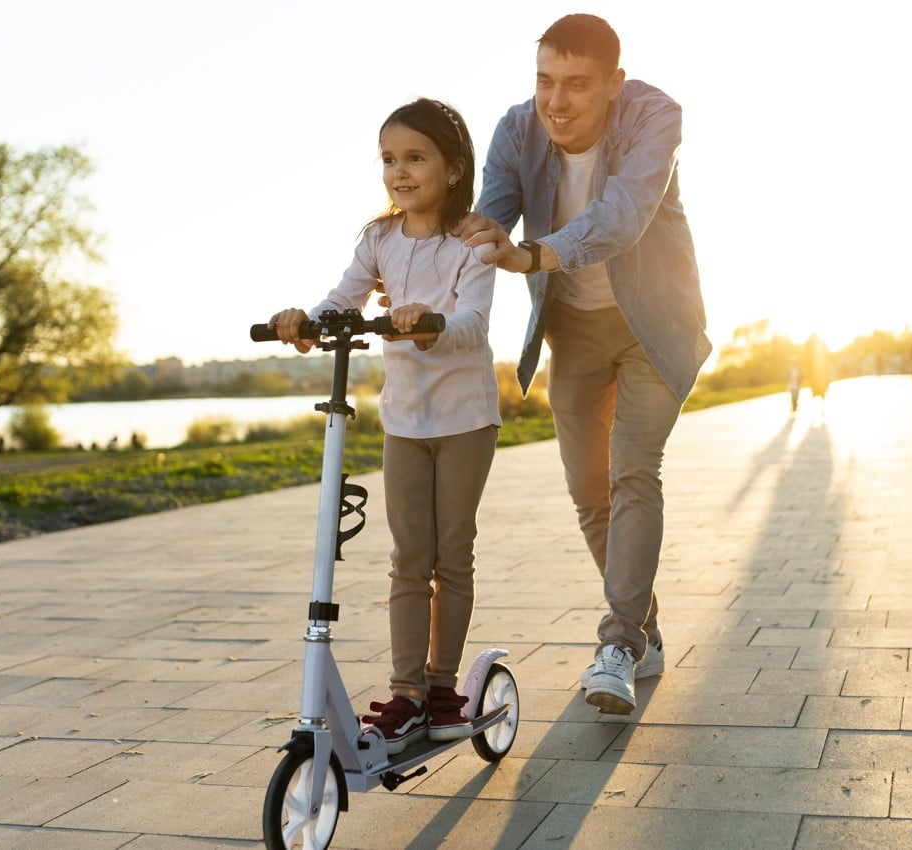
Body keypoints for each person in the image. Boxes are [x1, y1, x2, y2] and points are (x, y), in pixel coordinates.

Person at [455, 14, 710, 714]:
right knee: (588, 491)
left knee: (633, 471)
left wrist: (533, 254)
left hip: (652, 325)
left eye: (575, 85)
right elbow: (490, 218)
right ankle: (643, 630)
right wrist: (431, 260)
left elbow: (623, 218)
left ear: (613, 85)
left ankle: (617, 645)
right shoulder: (515, 130)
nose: (555, 102)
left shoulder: (654, 116)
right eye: (544, 81)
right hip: (571, 326)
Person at [269, 99, 501, 753]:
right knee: (407, 558)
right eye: (389, 160)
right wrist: (305, 320)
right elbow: (343, 297)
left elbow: (472, 326)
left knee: (450, 556)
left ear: (453, 168)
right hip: (403, 421)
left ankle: (442, 688)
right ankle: (405, 696)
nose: (399, 172)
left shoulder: (473, 244)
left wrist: (428, 321)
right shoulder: (378, 239)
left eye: (415, 158)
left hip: (464, 421)